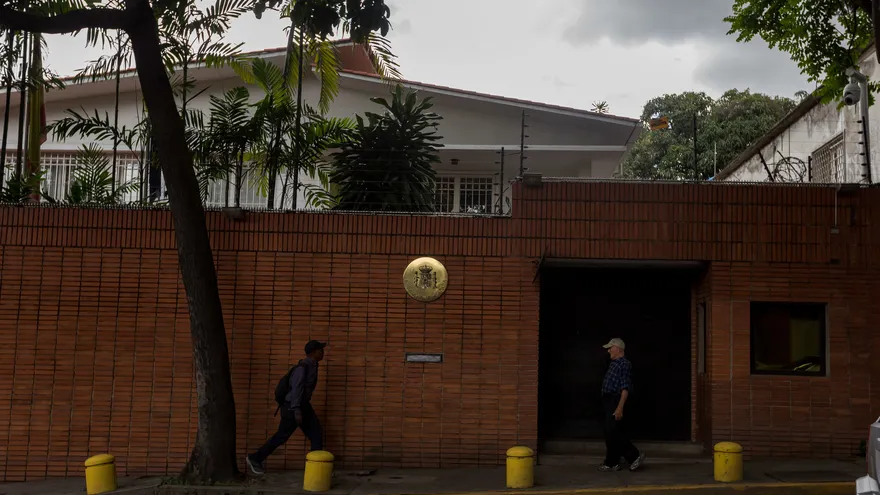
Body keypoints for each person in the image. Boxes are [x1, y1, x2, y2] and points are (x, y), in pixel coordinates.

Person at [246, 340, 326, 475]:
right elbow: (296, 389)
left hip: (304, 406)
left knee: (316, 434)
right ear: (313, 352)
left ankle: (316, 470)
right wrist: (296, 410)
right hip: (293, 408)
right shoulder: (302, 368)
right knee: (281, 436)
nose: (322, 352)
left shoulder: (312, 365)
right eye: (320, 350)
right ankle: (255, 458)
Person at [598, 338, 645, 472]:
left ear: (618, 349)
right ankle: (612, 462)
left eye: (610, 348)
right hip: (608, 401)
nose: (608, 351)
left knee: (614, 433)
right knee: (610, 432)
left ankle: (634, 456)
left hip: (615, 400)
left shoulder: (623, 364)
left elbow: (625, 388)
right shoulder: (614, 363)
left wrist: (619, 407)